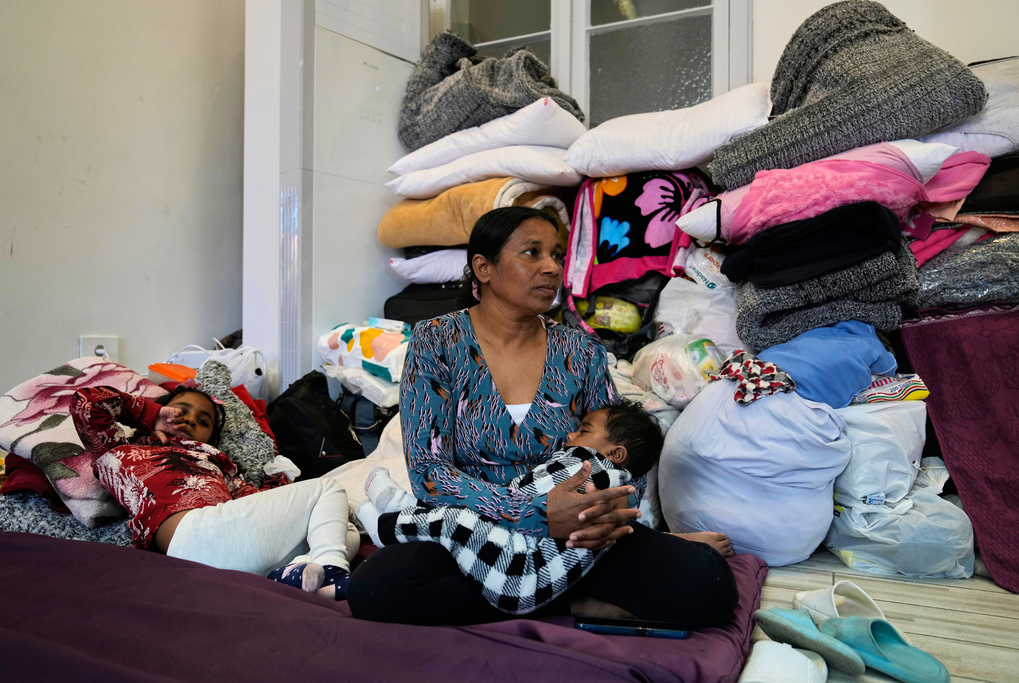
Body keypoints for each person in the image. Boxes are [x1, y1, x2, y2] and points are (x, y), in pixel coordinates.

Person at [346, 206, 739, 626]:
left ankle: (551, 592)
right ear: (483, 267)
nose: (551, 267)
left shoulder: (580, 352)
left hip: (574, 538)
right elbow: (428, 472)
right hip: (474, 534)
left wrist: (596, 518)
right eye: (532, 253)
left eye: (556, 255)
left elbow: (622, 448)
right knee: (378, 588)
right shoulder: (435, 341)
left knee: (706, 585)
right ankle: (574, 603)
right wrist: (533, 512)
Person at [355, 400, 674, 615]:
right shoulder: (608, 478)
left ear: (616, 453)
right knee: (463, 519)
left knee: (459, 520)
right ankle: (408, 513)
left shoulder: (589, 468)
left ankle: (390, 524)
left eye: (584, 431)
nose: (570, 434)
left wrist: (498, 497)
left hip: (522, 571)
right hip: (523, 559)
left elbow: (521, 498)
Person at [70, 383, 359, 599]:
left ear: (211, 438)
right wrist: (151, 413)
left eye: (203, 421)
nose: (192, 420)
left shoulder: (219, 465)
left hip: (232, 551)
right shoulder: (123, 445)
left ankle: (292, 576)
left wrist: (278, 479)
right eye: (183, 411)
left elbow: (258, 508)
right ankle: (332, 571)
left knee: (343, 528)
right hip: (192, 536)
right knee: (329, 488)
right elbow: (87, 403)